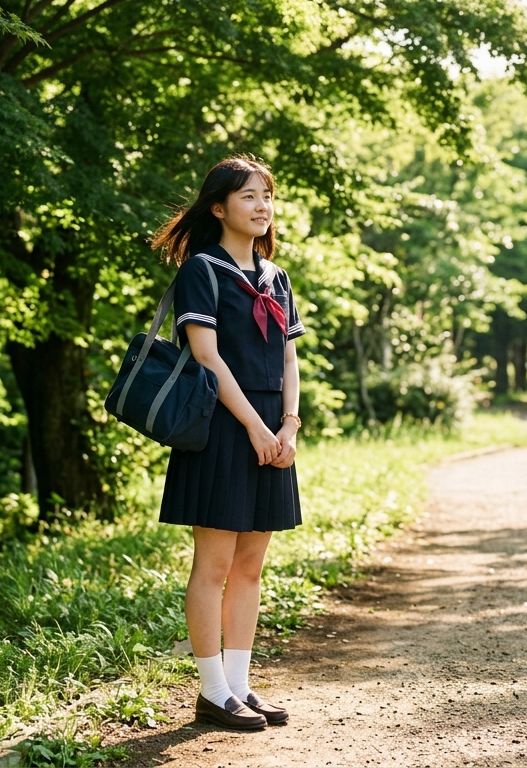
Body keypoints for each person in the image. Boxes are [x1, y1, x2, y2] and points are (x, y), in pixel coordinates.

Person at [151, 156, 306, 730]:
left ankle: (240, 687)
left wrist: (288, 424)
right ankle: (212, 692)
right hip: (221, 426)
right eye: (249, 196)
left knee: (250, 567)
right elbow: (207, 357)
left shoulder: (276, 277)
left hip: (272, 430)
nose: (262, 206)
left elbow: (289, 355)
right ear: (218, 207)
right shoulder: (202, 270)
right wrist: (254, 426)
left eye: (267, 195)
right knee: (213, 566)